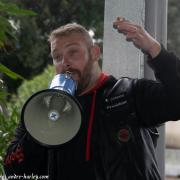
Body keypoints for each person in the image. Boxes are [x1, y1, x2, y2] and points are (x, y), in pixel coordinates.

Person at [3, 17, 180, 180]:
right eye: (57, 57)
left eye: (73, 52)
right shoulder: (42, 109)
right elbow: (13, 169)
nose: (65, 62)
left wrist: (155, 50)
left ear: (95, 53)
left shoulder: (129, 95)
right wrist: (42, 127)